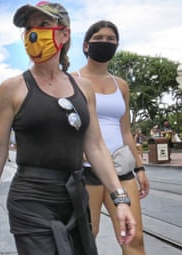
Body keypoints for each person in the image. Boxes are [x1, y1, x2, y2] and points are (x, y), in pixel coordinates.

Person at [0, 3, 136, 255]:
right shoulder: (12, 88)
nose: (33, 33)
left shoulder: (83, 89)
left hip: (74, 197)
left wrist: (120, 198)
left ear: (64, 34)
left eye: (42, 25)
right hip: (30, 199)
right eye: (29, 27)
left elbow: (95, 145)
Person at [73, 20, 150, 255]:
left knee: (133, 236)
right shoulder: (72, 80)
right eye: (99, 39)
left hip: (121, 167)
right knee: (88, 235)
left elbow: (125, 130)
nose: (105, 43)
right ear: (86, 45)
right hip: (88, 169)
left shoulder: (121, 85)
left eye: (111, 40)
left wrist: (140, 168)